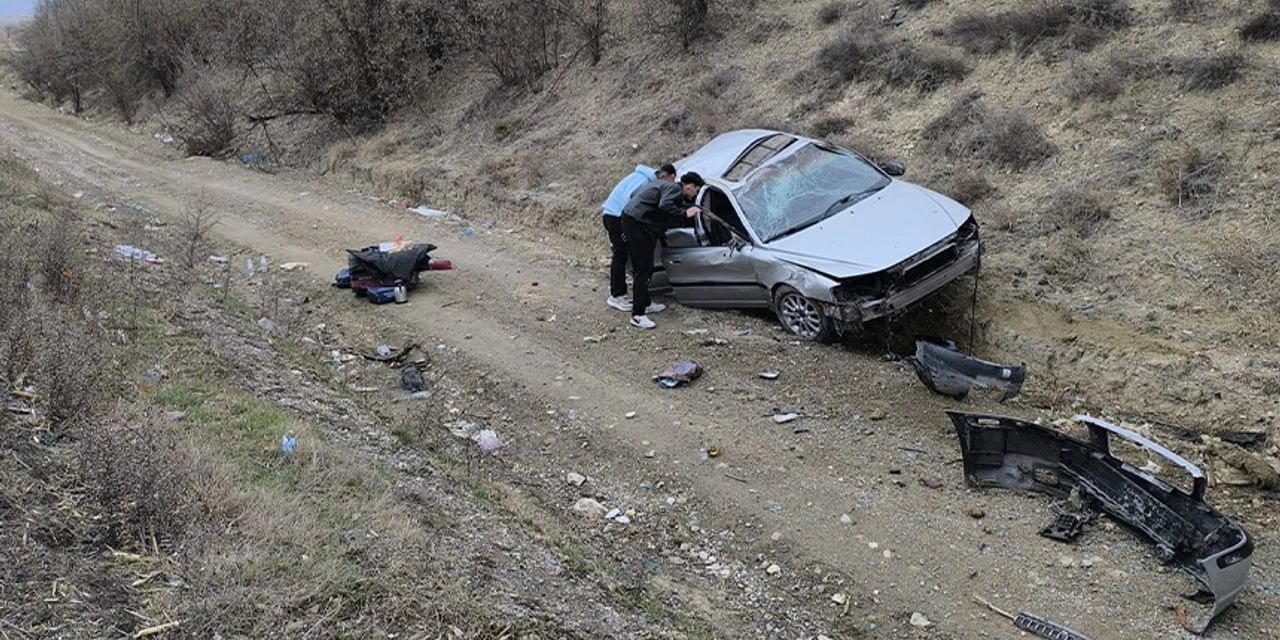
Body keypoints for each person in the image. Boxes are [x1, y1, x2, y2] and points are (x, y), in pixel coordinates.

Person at [620, 171, 704, 329]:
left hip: (633, 220)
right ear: (690, 186)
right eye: (696, 191)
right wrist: (685, 213)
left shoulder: (665, 185)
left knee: (646, 266)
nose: (695, 195)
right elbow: (664, 205)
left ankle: (645, 302)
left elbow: (636, 195)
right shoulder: (674, 190)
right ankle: (638, 315)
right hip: (637, 224)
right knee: (643, 269)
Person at [600, 163, 676, 311]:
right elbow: (631, 201)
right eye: (671, 180)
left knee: (631, 255)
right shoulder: (643, 181)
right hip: (616, 217)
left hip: (619, 216)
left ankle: (642, 299)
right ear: (664, 175)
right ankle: (617, 295)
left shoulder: (643, 178)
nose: (670, 185)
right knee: (620, 254)